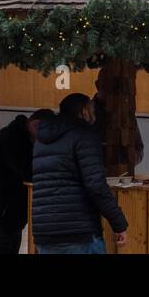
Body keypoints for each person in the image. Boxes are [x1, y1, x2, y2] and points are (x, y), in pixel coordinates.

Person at [30, 93, 128, 254]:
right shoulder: (84, 135)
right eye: (93, 111)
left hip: (44, 233)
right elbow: (95, 185)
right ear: (84, 111)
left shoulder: (41, 140)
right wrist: (119, 223)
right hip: (79, 234)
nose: (95, 116)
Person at [0, 107, 53, 254]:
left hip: (8, 219)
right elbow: (28, 172)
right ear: (35, 125)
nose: (48, 138)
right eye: (47, 132)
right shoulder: (13, 139)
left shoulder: (20, 137)